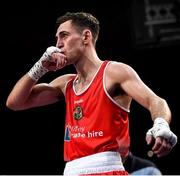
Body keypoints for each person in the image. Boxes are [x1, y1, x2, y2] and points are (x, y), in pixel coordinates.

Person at [6, 12, 177, 175]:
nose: (57, 44)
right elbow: (15, 103)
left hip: (107, 168)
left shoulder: (114, 72)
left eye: (64, 35)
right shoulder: (66, 83)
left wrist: (161, 124)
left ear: (86, 37)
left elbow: (155, 100)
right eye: (57, 38)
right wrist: (40, 66)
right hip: (71, 170)